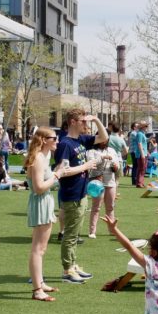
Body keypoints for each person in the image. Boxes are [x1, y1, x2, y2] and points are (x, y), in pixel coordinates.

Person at [55, 109, 108, 283]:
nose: (85, 124)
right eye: (82, 121)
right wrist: (86, 166)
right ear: (72, 122)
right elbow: (63, 171)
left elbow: (103, 137)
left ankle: (73, 264)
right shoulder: (65, 144)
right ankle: (67, 270)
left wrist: (96, 120)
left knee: (75, 233)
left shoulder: (81, 140)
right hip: (71, 195)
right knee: (70, 235)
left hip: (81, 193)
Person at [26, 128, 64, 302]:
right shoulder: (39, 159)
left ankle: (40, 283)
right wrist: (57, 175)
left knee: (41, 248)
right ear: (43, 140)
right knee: (38, 249)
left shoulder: (44, 156)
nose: (57, 140)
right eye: (53, 138)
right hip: (41, 202)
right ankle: (37, 290)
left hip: (44, 202)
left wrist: (58, 171)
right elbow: (39, 187)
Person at [131, 120, 149, 188]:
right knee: (141, 168)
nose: (147, 127)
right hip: (141, 154)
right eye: (146, 126)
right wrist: (142, 154)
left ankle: (141, 182)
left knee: (143, 168)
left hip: (144, 153)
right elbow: (139, 144)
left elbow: (144, 141)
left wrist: (150, 138)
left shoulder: (142, 133)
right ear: (142, 127)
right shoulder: (139, 134)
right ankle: (139, 183)